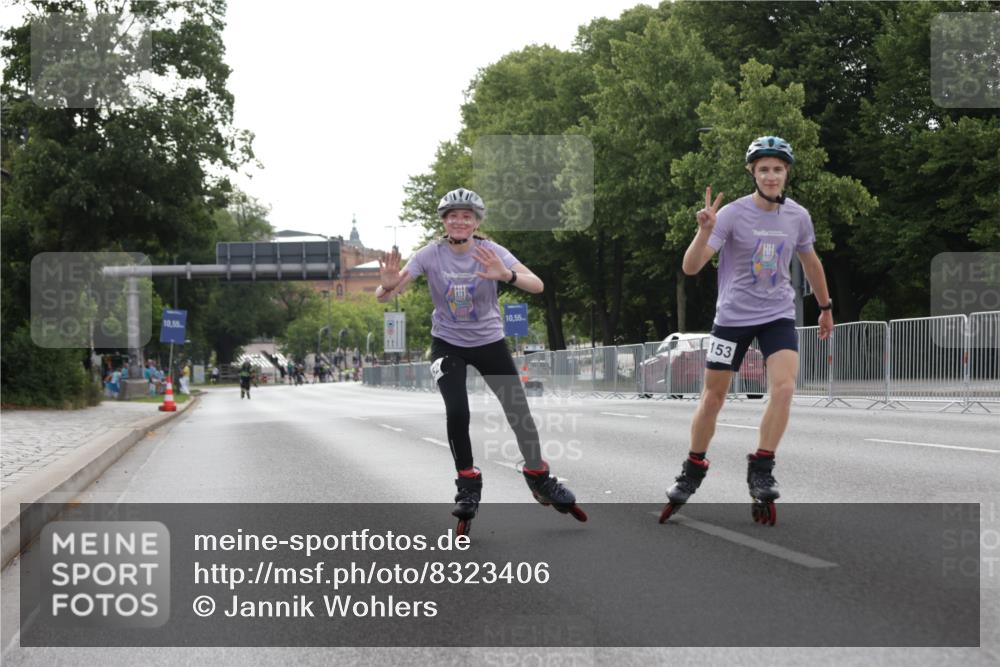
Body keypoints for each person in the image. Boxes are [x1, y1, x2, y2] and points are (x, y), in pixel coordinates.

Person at [376, 187, 586, 535]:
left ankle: (539, 476)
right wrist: (385, 287)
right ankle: (467, 485)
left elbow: (537, 285)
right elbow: (388, 293)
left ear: (476, 222)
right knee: (457, 411)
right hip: (448, 344)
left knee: (518, 411)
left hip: (489, 342)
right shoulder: (429, 255)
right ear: (444, 221)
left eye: (467, 216)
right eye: (453, 216)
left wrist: (507, 275)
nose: (460, 221)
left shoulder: (493, 251)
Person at [660, 136, 834, 526]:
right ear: (752, 174)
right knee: (713, 398)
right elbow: (692, 267)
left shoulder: (798, 217)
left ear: (786, 172)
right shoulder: (732, 215)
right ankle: (693, 467)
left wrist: (825, 307)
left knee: (786, 387)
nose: (771, 176)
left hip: (777, 315)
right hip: (733, 318)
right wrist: (704, 230)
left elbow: (811, 263)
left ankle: (762, 465)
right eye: (763, 170)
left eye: (777, 169)